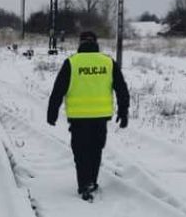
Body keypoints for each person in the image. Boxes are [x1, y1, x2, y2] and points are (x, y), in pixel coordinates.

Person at [46, 30, 130, 202]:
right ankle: (92, 180)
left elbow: (58, 90)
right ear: (96, 43)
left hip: (78, 117)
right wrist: (123, 111)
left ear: (80, 43)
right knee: (95, 149)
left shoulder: (72, 63)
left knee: (81, 151)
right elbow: (122, 89)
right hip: (101, 116)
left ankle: (84, 183)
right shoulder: (108, 62)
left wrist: (52, 112)